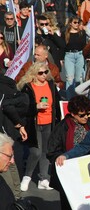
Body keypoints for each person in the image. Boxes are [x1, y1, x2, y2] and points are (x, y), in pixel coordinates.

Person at [47, 95, 90, 210]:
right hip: (69, 178)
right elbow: (51, 151)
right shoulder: (62, 128)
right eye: (82, 114)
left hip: (88, 176)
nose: (86, 117)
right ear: (73, 114)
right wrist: (60, 158)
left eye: (88, 113)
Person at [17, 62, 61, 191]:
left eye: (46, 72)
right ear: (34, 74)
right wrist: (36, 107)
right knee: (35, 152)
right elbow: (23, 106)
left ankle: (44, 178)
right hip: (34, 123)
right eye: (40, 73)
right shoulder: (28, 87)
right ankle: (27, 176)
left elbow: (57, 103)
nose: (44, 75)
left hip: (49, 122)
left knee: (46, 152)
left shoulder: (51, 85)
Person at [62, 17, 87, 99]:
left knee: (79, 78)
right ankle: (70, 99)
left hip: (79, 54)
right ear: (70, 23)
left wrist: (85, 29)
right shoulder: (66, 33)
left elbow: (84, 45)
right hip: (69, 55)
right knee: (69, 78)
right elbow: (63, 46)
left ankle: (79, 98)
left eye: (78, 23)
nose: (77, 24)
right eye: (75, 22)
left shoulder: (81, 33)